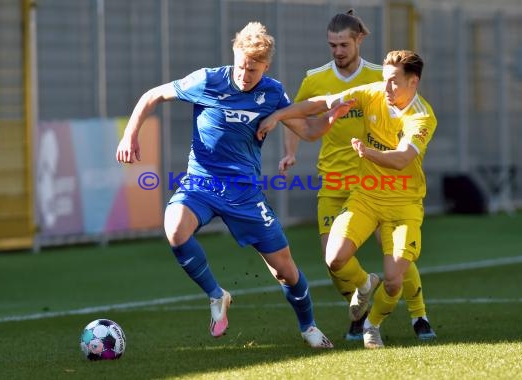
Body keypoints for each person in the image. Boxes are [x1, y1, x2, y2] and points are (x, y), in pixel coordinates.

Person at [115, 22, 348, 348]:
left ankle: (308, 326)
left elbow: (308, 131)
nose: (244, 74)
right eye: (241, 66)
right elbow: (152, 95)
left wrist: (330, 119)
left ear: (266, 66)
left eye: (253, 69)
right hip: (201, 182)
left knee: (284, 271)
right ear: (234, 56)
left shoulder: (272, 93)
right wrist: (130, 134)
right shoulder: (208, 80)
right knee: (175, 229)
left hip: (245, 192)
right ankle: (216, 295)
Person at [257, 50, 437, 348]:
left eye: (393, 82)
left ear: (413, 82)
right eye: (384, 80)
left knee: (394, 279)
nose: (386, 87)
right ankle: (366, 285)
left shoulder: (421, 116)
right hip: (365, 196)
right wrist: (279, 115)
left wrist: (369, 153)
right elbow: (322, 102)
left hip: (402, 205)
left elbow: (403, 158)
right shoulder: (373, 92)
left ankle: (373, 324)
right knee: (334, 257)